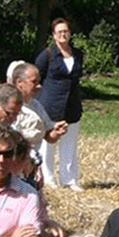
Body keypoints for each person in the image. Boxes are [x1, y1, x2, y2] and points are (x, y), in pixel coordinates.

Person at [36, 18, 87, 190]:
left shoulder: (78, 54)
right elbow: (37, 77)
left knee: (70, 145)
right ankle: (48, 179)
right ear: (53, 35)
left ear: (70, 33)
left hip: (72, 106)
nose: (63, 34)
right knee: (48, 145)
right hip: (50, 105)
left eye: (65, 31)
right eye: (59, 32)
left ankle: (70, 180)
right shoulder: (47, 55)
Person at [10, 62, 68, 180]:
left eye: (39, 82)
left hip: (31, 167)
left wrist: (56, 132)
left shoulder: (36, 106)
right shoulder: (7, 107)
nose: (39, 86)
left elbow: (48, 136)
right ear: (19, 82)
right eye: (34, 82)